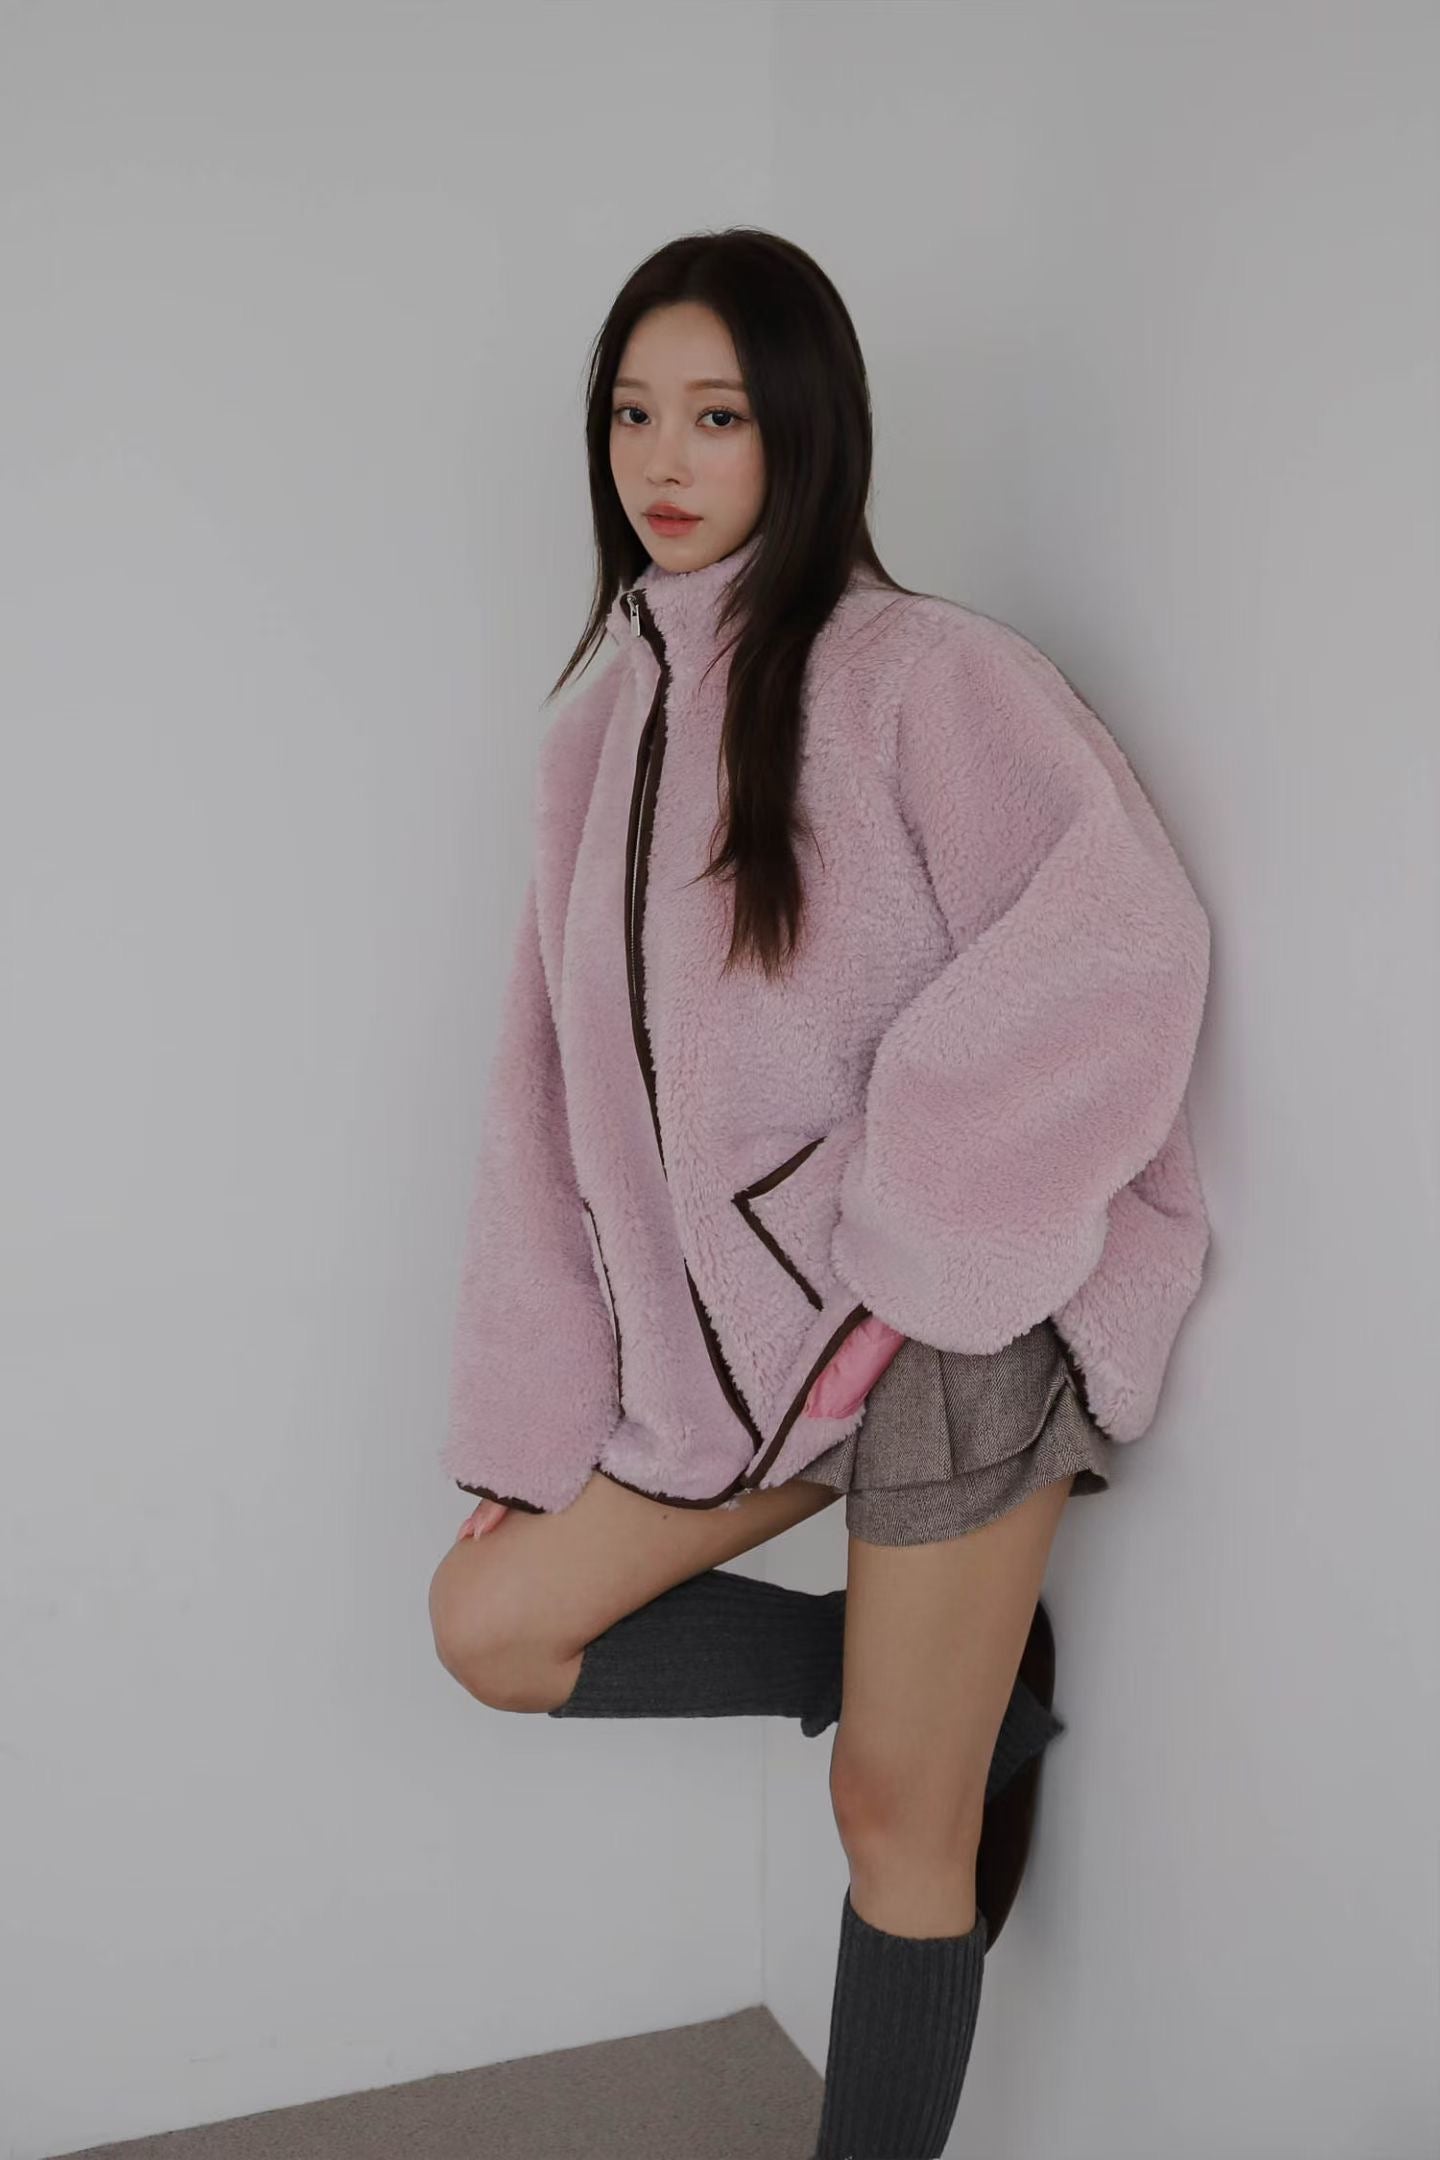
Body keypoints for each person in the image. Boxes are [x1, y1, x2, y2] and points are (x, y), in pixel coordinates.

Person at [427, 227, 1211, 2158]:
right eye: (633, 414)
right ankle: (960, 1698)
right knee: (493, 1626)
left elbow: (1121, 940)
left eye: (716, 414)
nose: (663, 459)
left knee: (892, 1820)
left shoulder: (923, 676)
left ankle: (926, 1745)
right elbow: (544, 1102)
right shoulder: (598, 737)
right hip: (749, 1361)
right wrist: (539, 1416)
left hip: (950, 1318)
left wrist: (914, 1249)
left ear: (805, 427)